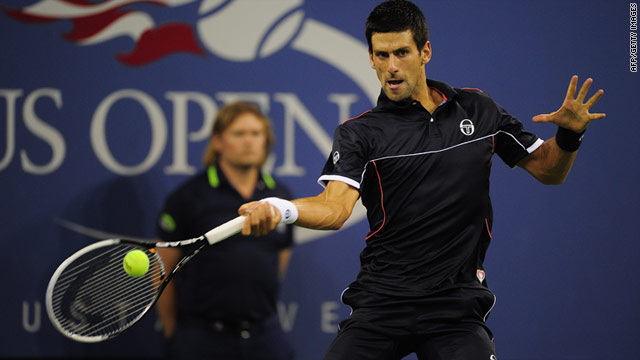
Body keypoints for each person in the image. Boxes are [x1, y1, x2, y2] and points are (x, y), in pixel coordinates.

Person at [238, 1, 606, 359]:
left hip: (455, 307)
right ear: (370, 58)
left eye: (401, 53)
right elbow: (334, 209)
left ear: (425, 51)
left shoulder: (479, 110)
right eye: (381, 56)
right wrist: (280, 208)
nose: (391, 67)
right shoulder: (359, 133)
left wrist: (570, 136)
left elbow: (548, 170)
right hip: (381, 303)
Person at [155, 102, 295, 360]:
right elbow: (162, 270)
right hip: (201, 339)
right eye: (239, 134)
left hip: (266, 336)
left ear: (266, 141)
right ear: (218, 141)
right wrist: (174, 332)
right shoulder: (188, 197)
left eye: (256, 134)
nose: (249, 142)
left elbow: (280, 258)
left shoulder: (282, 197)